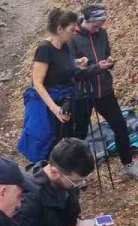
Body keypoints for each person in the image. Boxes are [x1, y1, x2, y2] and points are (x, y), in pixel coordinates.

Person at [69, 6, 138, 180]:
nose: (99, 29)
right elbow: (73, 72)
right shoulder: (73, 38)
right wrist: (97, 67)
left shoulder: (102, 33)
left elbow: (106, 54)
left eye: (101, 26)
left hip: (104, 89)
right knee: (80, 134)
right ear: (86, 21)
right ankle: (75, 175)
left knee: (120, 125)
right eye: (96, 26)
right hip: (83, 93)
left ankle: (128, 165)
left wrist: (109, 62)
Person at [17, 9, 88, 165]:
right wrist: (55, 109)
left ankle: (60, 174)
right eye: (71, 29)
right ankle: (41, 175)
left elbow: (60, 64)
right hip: (44, 102)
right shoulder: (44, 49)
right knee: (44, 137)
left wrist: (77, 62)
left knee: (61, 140)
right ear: (59, 29)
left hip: (65, 98)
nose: (75, 32)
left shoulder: (65, 46)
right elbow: (38, 83)